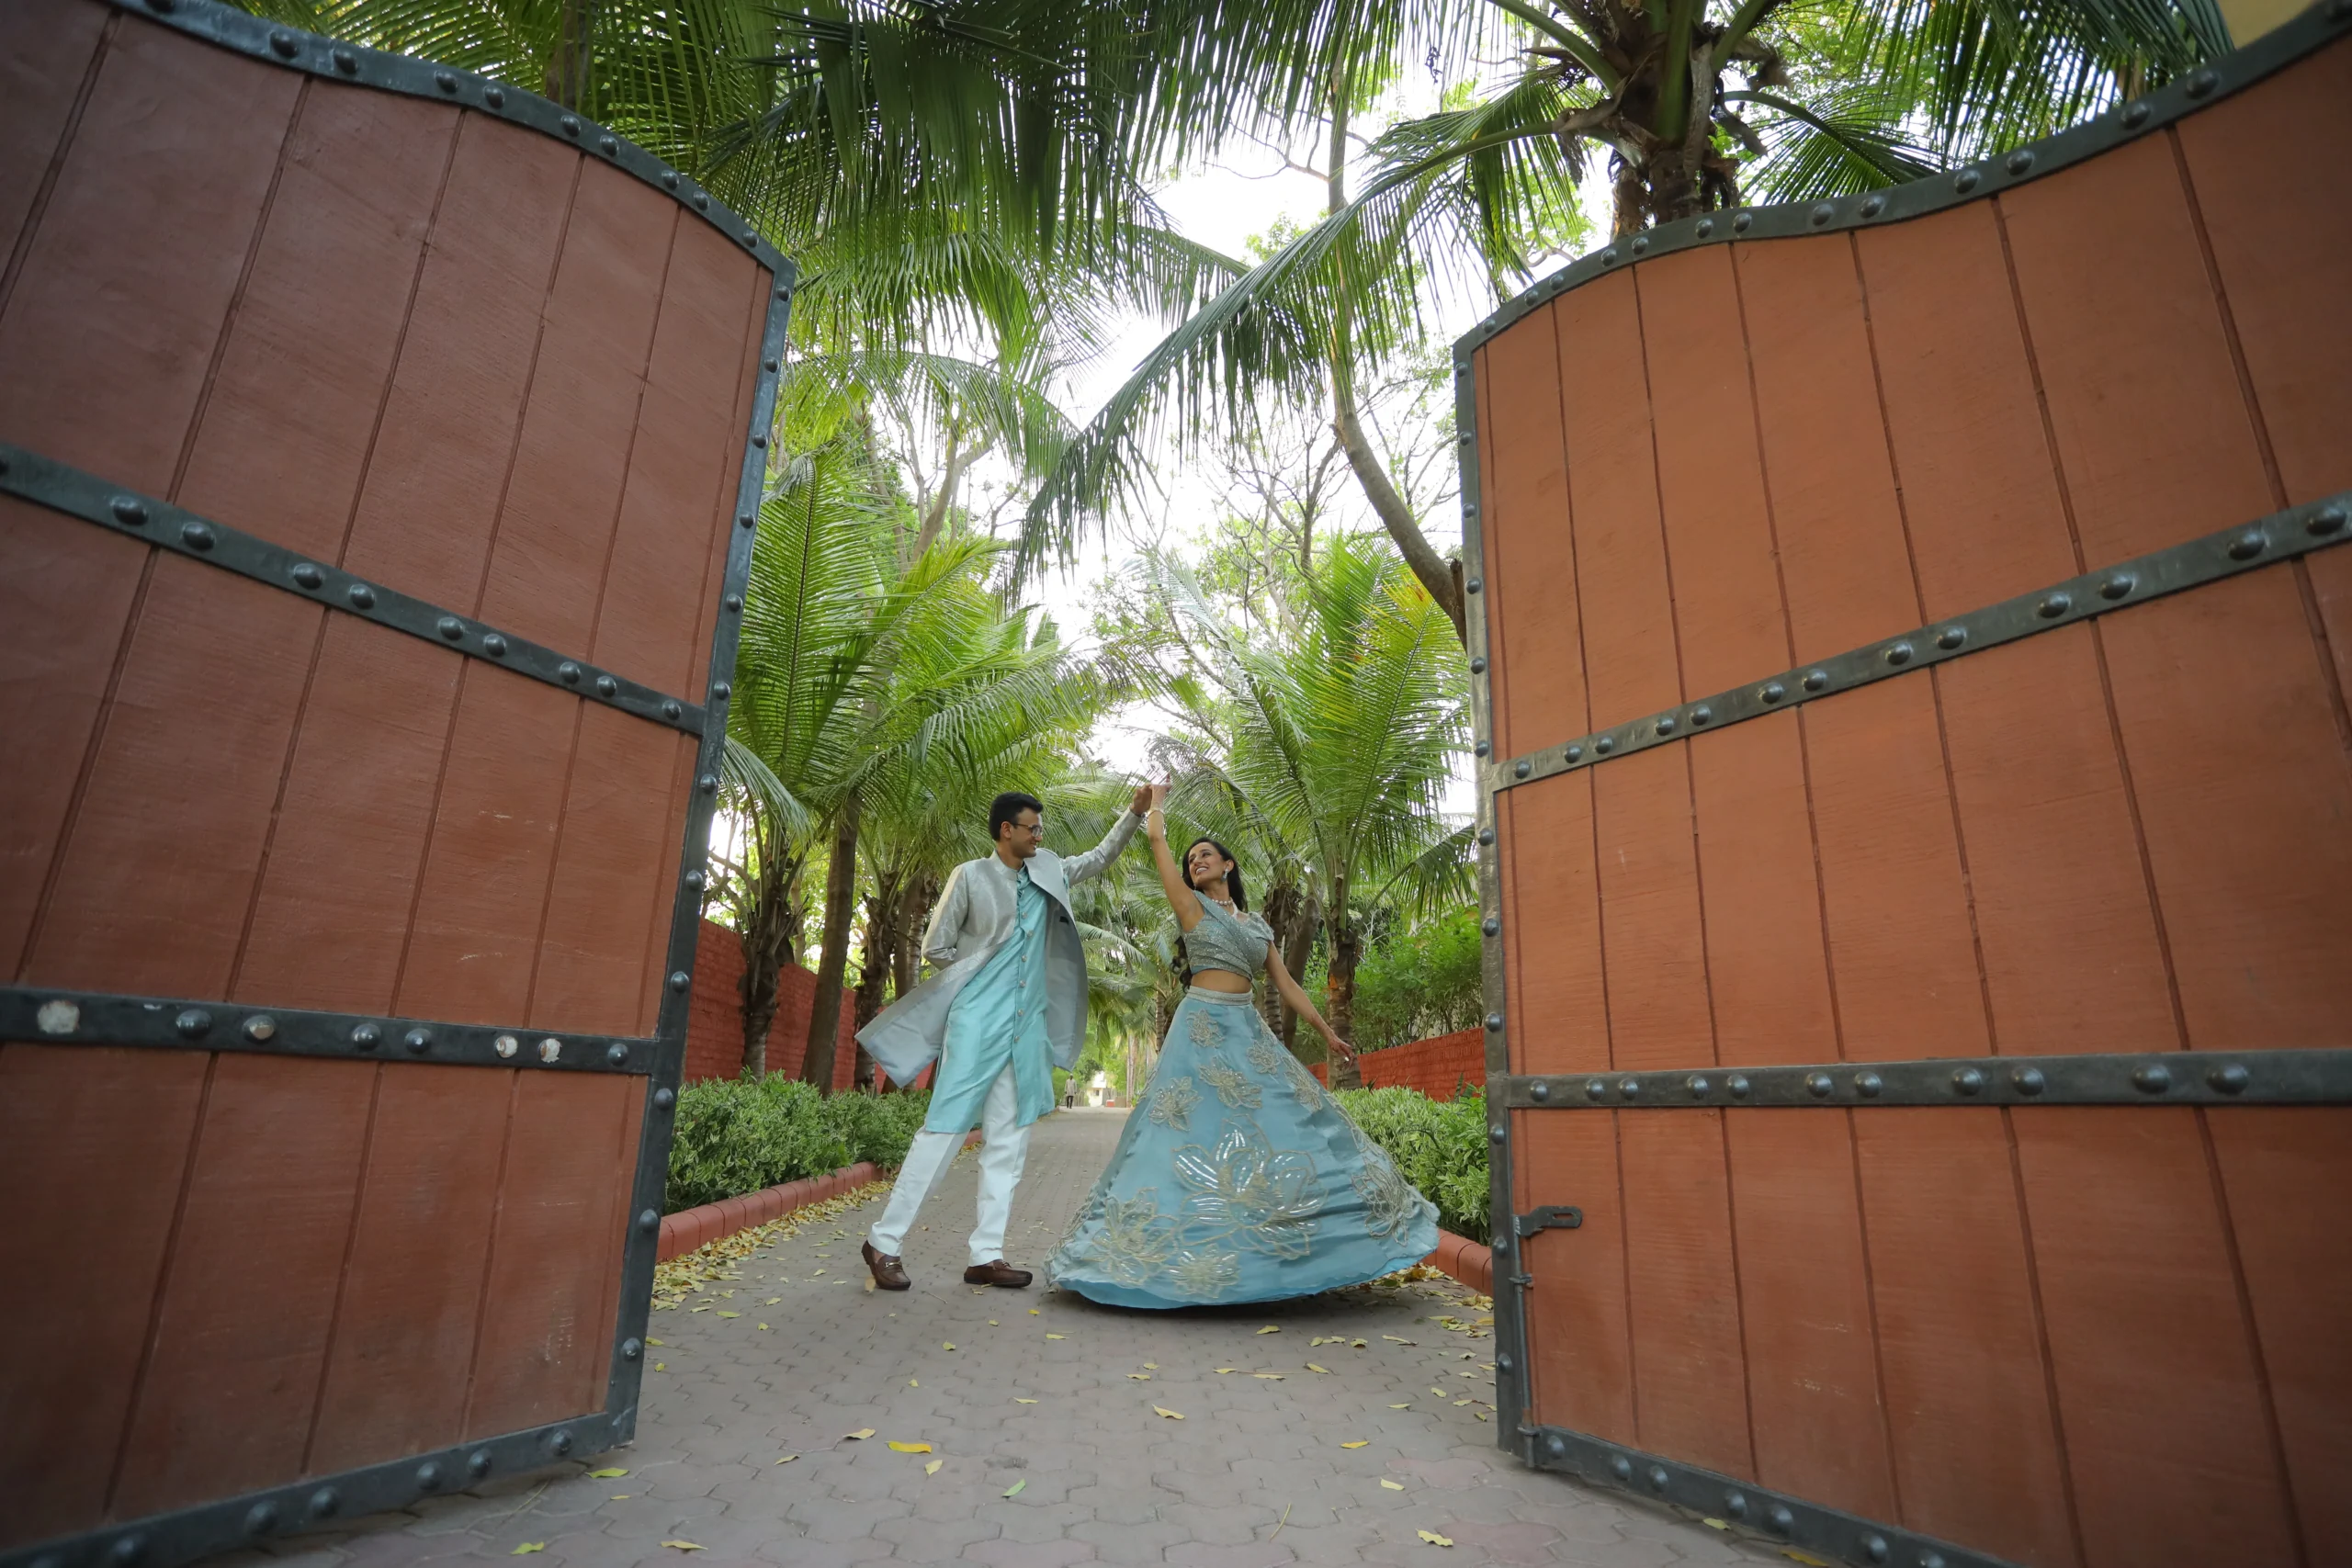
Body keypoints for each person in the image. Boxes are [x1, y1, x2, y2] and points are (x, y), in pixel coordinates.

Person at [1046, 786, 1439, 1308]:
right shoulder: (1189, 906)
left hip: (1248, 1032)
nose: (1195, 862)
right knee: (1184, 1135)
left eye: (1205, 855)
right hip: (1201, 1029)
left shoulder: (1257, 926)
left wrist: (1326, 1031)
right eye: (1191, 860)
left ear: (1228, 865)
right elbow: (1159, 841)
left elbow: (1287, 986)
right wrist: (1154, 803)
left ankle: (1284, 1249)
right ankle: (1152, 1253)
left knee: (1291, 1120)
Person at [858, 784, 1151, 1290]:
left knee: (1009, 1146)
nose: (1040, 835)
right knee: (944, 1132)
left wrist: (1134, 813)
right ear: (1005, 831)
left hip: (1025, 1032)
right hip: (975, 1025)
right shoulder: (969, 876)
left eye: (1041, 828)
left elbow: (1100, 857)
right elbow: (936, 946)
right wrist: (980, 977)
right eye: (1032, 828)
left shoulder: (1049, 872)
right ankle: (884, 1242)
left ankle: (985, 1255)